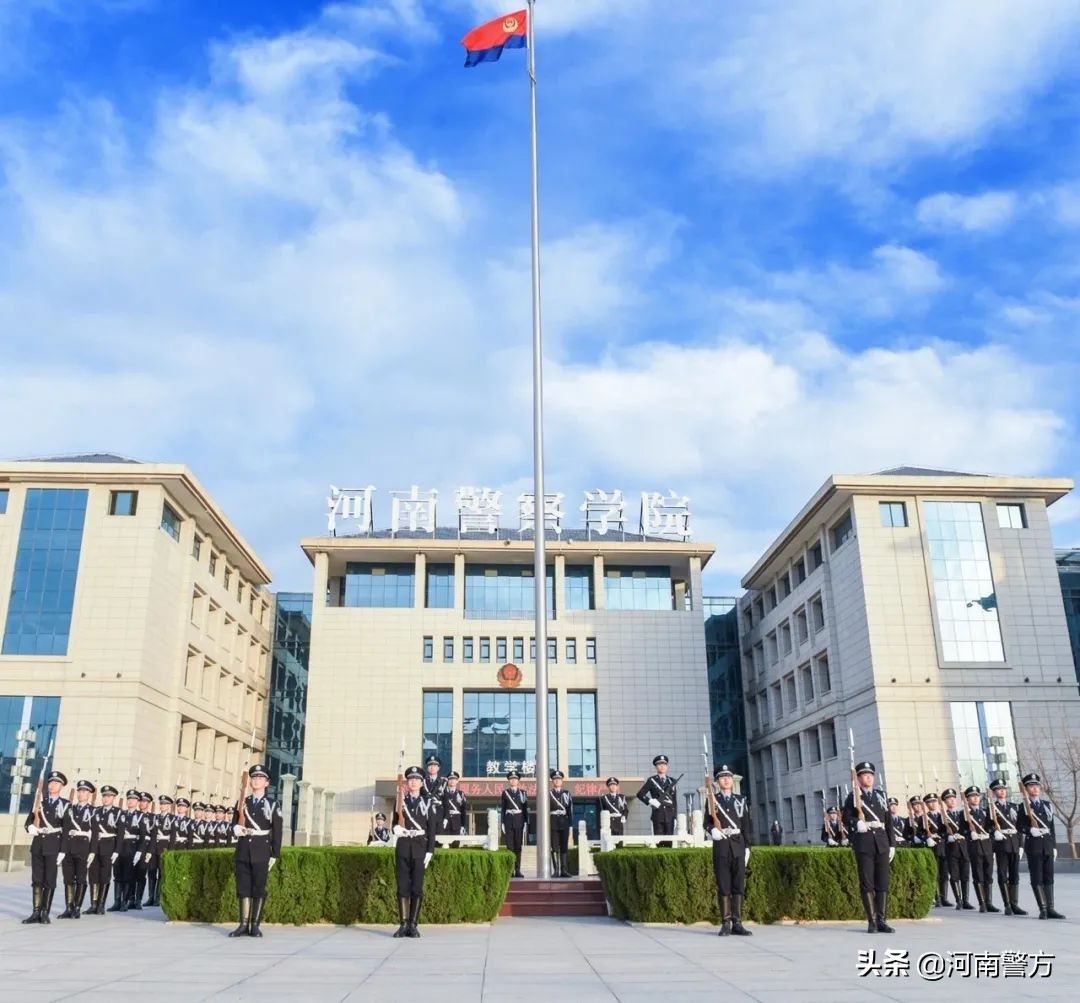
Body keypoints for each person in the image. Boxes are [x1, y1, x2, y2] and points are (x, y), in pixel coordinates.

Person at [230, 764, 283, 938]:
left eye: (260, 778)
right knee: (243, 887)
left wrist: (274, 854)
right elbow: (234, 823)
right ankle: (243, 924)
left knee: (258, 888)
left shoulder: (272, 804)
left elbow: (277, 830)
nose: (256, 780)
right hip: (243, 849)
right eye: (254, 777)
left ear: (267, 783)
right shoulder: (242, 802)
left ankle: (254, 925)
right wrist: (236, 830)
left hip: (261, 850)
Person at [842, 761, 895, 934]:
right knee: (867, 883)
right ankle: (871, 921)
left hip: (881, 842)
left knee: (883, 883)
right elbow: (846, 818)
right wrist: (857, 822)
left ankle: (882, 920)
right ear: (857, 778)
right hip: (864, 843)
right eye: (864, 775)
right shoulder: (854, 797)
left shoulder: (881, 795)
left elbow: (888, 823)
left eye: (870, 775)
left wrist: (892, 844)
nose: (868, 777)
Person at [705, 764, 752, 936]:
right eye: (722, 777)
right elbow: (706, 822)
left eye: (729, 777)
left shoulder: (741, 800)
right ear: (717, 781)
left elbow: (746, 825)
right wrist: (712, 831)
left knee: (738, 885)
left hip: (738, 845)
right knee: (724, 885)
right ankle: (725, 923)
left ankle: (737, 922)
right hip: (722, 845)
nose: (726, 779)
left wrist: (748, 847)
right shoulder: (712, 800)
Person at [392, 765, 437, 938]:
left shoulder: (428, 802)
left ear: (421, 782)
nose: (413, 782)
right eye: (410, 779)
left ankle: (413, 924)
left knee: (416, 888)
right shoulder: (400, 801)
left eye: (416, 779)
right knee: (402, 887)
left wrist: (430, 851)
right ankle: (403, 924)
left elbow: (432, 829)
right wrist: (396, 829)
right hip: (403, 847)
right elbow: (394, 824)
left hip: (419, 848)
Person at [22, 769, 70, 924]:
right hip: (38, 845)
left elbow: (67, 829)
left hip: (53, 845)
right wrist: (30, 827)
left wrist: (63, 850)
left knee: (49, 879)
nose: (52, 785)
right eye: (50, 782)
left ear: (61, 786)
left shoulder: (65, 805)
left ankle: (44, 912)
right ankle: (35, 911)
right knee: (36, 879)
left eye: (56, 783)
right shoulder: (39, 802)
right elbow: (29, 821)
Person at [1017, 772, 1065, 920]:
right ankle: (1042, 908)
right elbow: (1019, 825)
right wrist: (1029, 829)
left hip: (1048, 845)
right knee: (1037, 877)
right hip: (1034, 845)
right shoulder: (1023, 806)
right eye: (1031, 786)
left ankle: (1051, 908)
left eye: (1037, 785)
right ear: (1025, 789)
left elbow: (1051, 827)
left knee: (1049, 876)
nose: (1035, 788)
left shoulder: (1046, 805)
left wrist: (1055, 846)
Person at [987, 777, 1026, 915]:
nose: (1002, 791)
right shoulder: (992, 808)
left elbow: (1020, 827)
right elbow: (987, 827)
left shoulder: (1013, 807)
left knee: (1014, 874)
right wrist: (994, 832)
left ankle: (1015, 904)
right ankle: (1007, 904)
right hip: (1001, 844)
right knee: (1003, 873)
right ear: (994, 792)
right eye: (998, 789)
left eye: (1003, 789)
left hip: (1014, 843)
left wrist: (1021, 845)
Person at [58, 779, 96, 919]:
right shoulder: (70, 810)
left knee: (80, 879)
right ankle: (69, 907)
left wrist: (92, 851)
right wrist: (62, 850)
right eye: (79, 791)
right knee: (68, 879)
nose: (81, 794)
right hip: (68, 848)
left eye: (84, 791)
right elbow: (65, 830)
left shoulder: (93, 811)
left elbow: (96, 833)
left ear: (89, 794)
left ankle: (77, 907)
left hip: (83, 849)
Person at [960, 785, 998, 913]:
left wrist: (991, 832)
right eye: (972, 796)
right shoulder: (964, 813)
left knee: (988, 874)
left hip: (987, 845)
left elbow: (992, 826)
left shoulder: (985, 811)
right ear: (967, 799)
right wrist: (969, 834)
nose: (975, 799)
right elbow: (962, 829)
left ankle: (989, 902)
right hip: (975, 846)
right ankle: (982, 902)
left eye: (977, 796)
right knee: (978, 874)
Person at [88, 785, 120, 915]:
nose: (106, 799)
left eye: (109, 796)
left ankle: (101, 904)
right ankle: (93, 904)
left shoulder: (118, 813)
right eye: (104, 796)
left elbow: (120, 834)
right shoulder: (96, 811)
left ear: (113, 798)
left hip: (109, 847)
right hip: (95, 847)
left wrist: (117, 851)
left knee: (105, 876)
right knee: (93, 875)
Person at [941, 788, 974, 911]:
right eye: (949, 799)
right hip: (952, 849)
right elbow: (940, 831)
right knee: (954, 876)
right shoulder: (944, 816)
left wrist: (964, 834)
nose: (952, 801)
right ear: (945, 802)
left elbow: (967, 828)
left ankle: (966, 900)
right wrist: (947, 836)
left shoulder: (963, 814)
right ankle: (958, 899)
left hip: (964, 848)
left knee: (965, 875)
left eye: (953, 798)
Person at [113, 789, 142, 914]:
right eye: (129, 799)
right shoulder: (121, 814)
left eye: (133, 799)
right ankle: (117, 901)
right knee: (117, 875)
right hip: (119, 848)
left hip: (131, 848)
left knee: (127, 876)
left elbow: (144, 835)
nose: (130, 801)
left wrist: (139, 852)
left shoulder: (141, 816)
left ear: (137, 802)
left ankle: (125, 902)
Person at [636, 755, 677, 845]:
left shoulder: (672, 781)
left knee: (670, 843)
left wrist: (675, 817)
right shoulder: (652, 780)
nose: (662, 766)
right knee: (659, 842)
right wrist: (650, 801)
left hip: (670, 816)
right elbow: (640, 794)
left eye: (664, 764)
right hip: (658, 815)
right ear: (656, 767)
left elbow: (674, 801)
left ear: (667, 766)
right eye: (659, 764)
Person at [145, 794, 176, 907]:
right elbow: (153, 836)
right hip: (154, 850)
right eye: (161, 804)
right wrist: (149, 851)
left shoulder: (173, 819)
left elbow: (172, 838)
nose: (162, 806)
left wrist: (170, 852)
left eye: (164, 804)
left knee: (162, 875)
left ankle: (158, 897)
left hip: (165, 849)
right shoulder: (155, 818)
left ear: (169, 806)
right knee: (151, 874)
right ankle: (150, 897)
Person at [922, 793, 951, 907]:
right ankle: (937, 897)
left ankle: (944, 897)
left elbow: (946, 829)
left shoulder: (942, 816)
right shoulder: (924, 818)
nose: (932, 804)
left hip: (943, 847)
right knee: (935, 873)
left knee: (944, 873)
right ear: (926, 804)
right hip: (932, 848)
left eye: (934, 801)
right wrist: (926, 838)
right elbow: (920, 832)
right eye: (929, 802)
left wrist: (945, 835)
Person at [500, 770, 528, 878]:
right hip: (508, 821)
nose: (513, 780)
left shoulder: (523, 793)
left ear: (518, 781)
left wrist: (526, 822)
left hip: (519, 821)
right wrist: (502, 822)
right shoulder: (505, 793)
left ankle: (518, 870)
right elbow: (503, 809)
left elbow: (525, 809)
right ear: (509, 781)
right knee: (510, 847)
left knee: (518, 847)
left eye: (515, 779)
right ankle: (510, 870)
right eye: (511, 779)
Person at [130, 791, 155, 910]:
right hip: (133, 847)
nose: (142, 803)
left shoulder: (152, 817)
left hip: (145, 849)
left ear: (149, 803)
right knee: (131, 874)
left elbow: (153, 837)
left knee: (141, 875)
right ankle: (131, 898)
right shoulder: (133, 815)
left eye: (145, 801)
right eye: (140, 801)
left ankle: (138, 899)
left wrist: (150, 852)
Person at [549, 770, 573, 878]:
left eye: (559, 779)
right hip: (553, 821)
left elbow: (570, 810)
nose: (557, 781)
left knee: (564, 846)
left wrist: (571, 825)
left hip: (564, 822)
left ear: (562, 781)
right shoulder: (548, 793)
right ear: (552, 781)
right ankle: (556, 870)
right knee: (554, 847)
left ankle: (563, 870)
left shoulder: (567, 793)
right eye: (555, 779)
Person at [423, 756, 447, 833]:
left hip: (439, 815)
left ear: (438, 768)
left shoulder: (444, 782)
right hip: (425, 814)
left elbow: (446, 802)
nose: (432, 767)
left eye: (434, 766)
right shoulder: (422, 781)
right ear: (427, 768)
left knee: (439, 840)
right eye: (430, 765)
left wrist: (446, 818)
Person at [442, 772, 468, 839]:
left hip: (456, 822)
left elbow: (463, 811)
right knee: (444, 843)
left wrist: (463, 825)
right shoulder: (442, 793)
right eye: (450, 779)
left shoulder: (461, 794)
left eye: (454, 779)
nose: (452, 781)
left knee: (455, 844)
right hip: (445, 821)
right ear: (447, 781)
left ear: (457, 781)